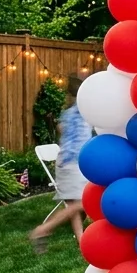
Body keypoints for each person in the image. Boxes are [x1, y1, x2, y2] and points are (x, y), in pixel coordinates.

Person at [30, 77, 92, 252]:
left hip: (64, 162)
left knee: (73, 204)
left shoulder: (68, 113)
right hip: (74, 163)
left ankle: (82, 241)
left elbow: (61, 129)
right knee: (83, 203)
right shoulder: (85, 112)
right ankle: (42, 230)